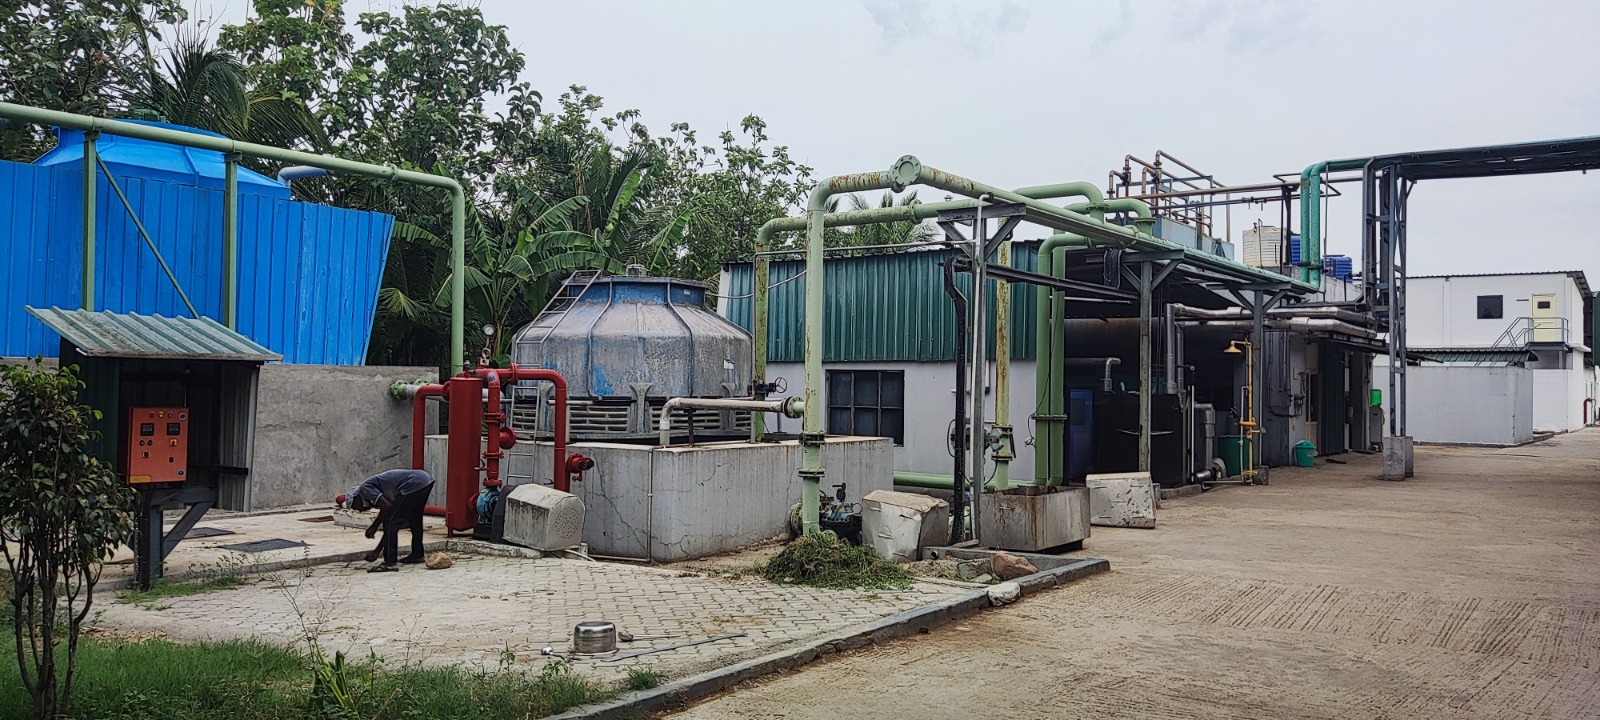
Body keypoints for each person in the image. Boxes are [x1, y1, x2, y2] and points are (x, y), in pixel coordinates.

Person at [346, 469, 435, 572]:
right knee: (414, 518)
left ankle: (389, 562)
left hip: (413, 483)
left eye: (355, 507)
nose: (359, 510)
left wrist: (376, 546)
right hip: (425, 480)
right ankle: (417, 554)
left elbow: (387, 508)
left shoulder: (364, 489)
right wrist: (374, 529)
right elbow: (386, 509)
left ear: (356, 498)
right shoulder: (372, 489)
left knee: (391, 522)